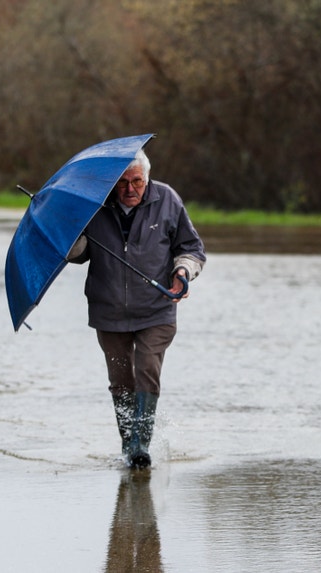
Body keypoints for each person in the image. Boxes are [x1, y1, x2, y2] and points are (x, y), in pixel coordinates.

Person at [68, 148, 206, 469]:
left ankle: (141, 445)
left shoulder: (168, 200)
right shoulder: (95, 207)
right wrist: (70, 232)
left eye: (137, 182)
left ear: (147, 178)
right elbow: (78, 254)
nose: (130, 189)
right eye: (123, 183)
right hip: (108, 311)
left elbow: (191, 249)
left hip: (156, 309)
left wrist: (182, 272)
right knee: (120, 381)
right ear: (114, 183)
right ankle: (128, 445)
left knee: (147, 371)